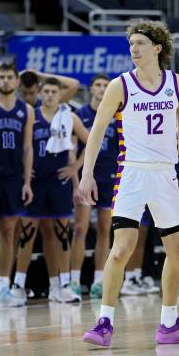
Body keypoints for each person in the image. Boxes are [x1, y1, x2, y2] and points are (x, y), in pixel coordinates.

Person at [80, 20, 179, 347]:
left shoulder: (176, 83)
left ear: (158, 48)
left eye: (140, 43)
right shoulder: (120, 85)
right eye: (131, 44)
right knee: (122, 247)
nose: (133, 49)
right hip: (132, 173)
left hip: (167, 172)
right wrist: (87, 173)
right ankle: (104, 322)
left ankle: (169, 324)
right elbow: (96, 131)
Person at [12, 77, 88, 304]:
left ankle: (63, 285)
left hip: (59, 182)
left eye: (54, 91)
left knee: (63, 235)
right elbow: (19, 146)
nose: (50, 95)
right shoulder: (31, 116)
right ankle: (18, 285)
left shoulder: (69, 116)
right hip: (35, 183)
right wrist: (23, 172)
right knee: (27, 235)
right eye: (46, 91)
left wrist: (76, 167)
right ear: (39, 92)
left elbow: (92, 138)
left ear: (60, 94)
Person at [0, 62, 34, 307]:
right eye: (1, 77)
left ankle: (2, 288)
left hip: (14, 178)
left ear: (17, 81)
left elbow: (28, 148)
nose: (5, 81)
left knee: (8, 233)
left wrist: (27, 181)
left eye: (10, 77)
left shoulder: (26, 110)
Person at [70, 74, 115, 299]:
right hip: (88, 176)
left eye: (106, 85)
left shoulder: (116, 114)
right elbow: (74, 148)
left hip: (109, 176)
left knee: (106, 230)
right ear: (90, 89)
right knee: (80, 228)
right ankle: (74, 280)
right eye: (98, 85)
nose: (102, 88)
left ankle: (99, 280)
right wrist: (76, 178)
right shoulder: (81, 114)